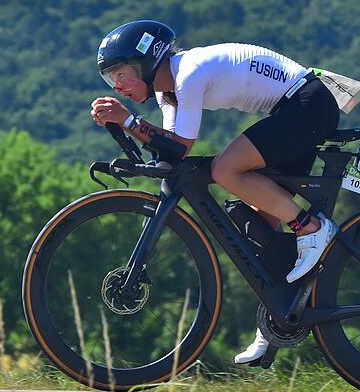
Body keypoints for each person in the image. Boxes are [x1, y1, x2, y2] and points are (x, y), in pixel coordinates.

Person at [91, 20, 340, 365]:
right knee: (265, 237)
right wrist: (128, 131)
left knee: (225, 169)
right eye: (110, 78)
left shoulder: (188, 74)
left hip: (306, 104)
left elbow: (180, 148)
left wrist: (130, 121)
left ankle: (312, 228)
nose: (117, 85)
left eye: (121, 73)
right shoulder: (169, 95)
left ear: (147, 63)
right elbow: (167, 151)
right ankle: (273, 327)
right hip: (293, 109)